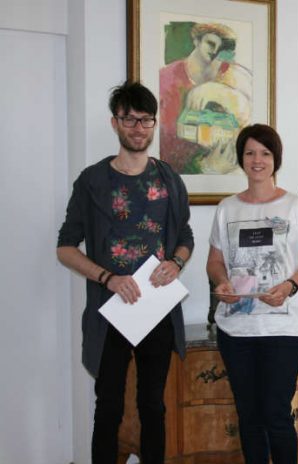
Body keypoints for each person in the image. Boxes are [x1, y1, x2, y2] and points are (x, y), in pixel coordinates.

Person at [57, 81, 194, 464]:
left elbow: (184, 235)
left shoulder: (169, 179)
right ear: (115, 122)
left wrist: (177, 262)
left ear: (154, 123)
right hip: (110, 310)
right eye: (129, 119)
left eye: (145, 119)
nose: (138, 127)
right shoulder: (93, 181)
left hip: (158, 310)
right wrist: (108, 278)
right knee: (109, 407)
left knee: (154, 406)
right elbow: (65, 247)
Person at [206, 124, 298, 463]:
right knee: (249, 416)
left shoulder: (295, 206)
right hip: (236, 329)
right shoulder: (227, 208)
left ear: (275, 159)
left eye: (265, 153)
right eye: (250, 152)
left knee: (276, 413)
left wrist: (289, 286)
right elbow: (214, 261)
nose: (257, 160)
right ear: (241, 159)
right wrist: (220, 283)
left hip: (284, 329)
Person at [159, 22, 252, 174]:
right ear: (197, 41)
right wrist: (206, 167)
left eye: (221, 47)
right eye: (210, 43)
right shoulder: (166, 79)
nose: (215, 51)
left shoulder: (237, 76)